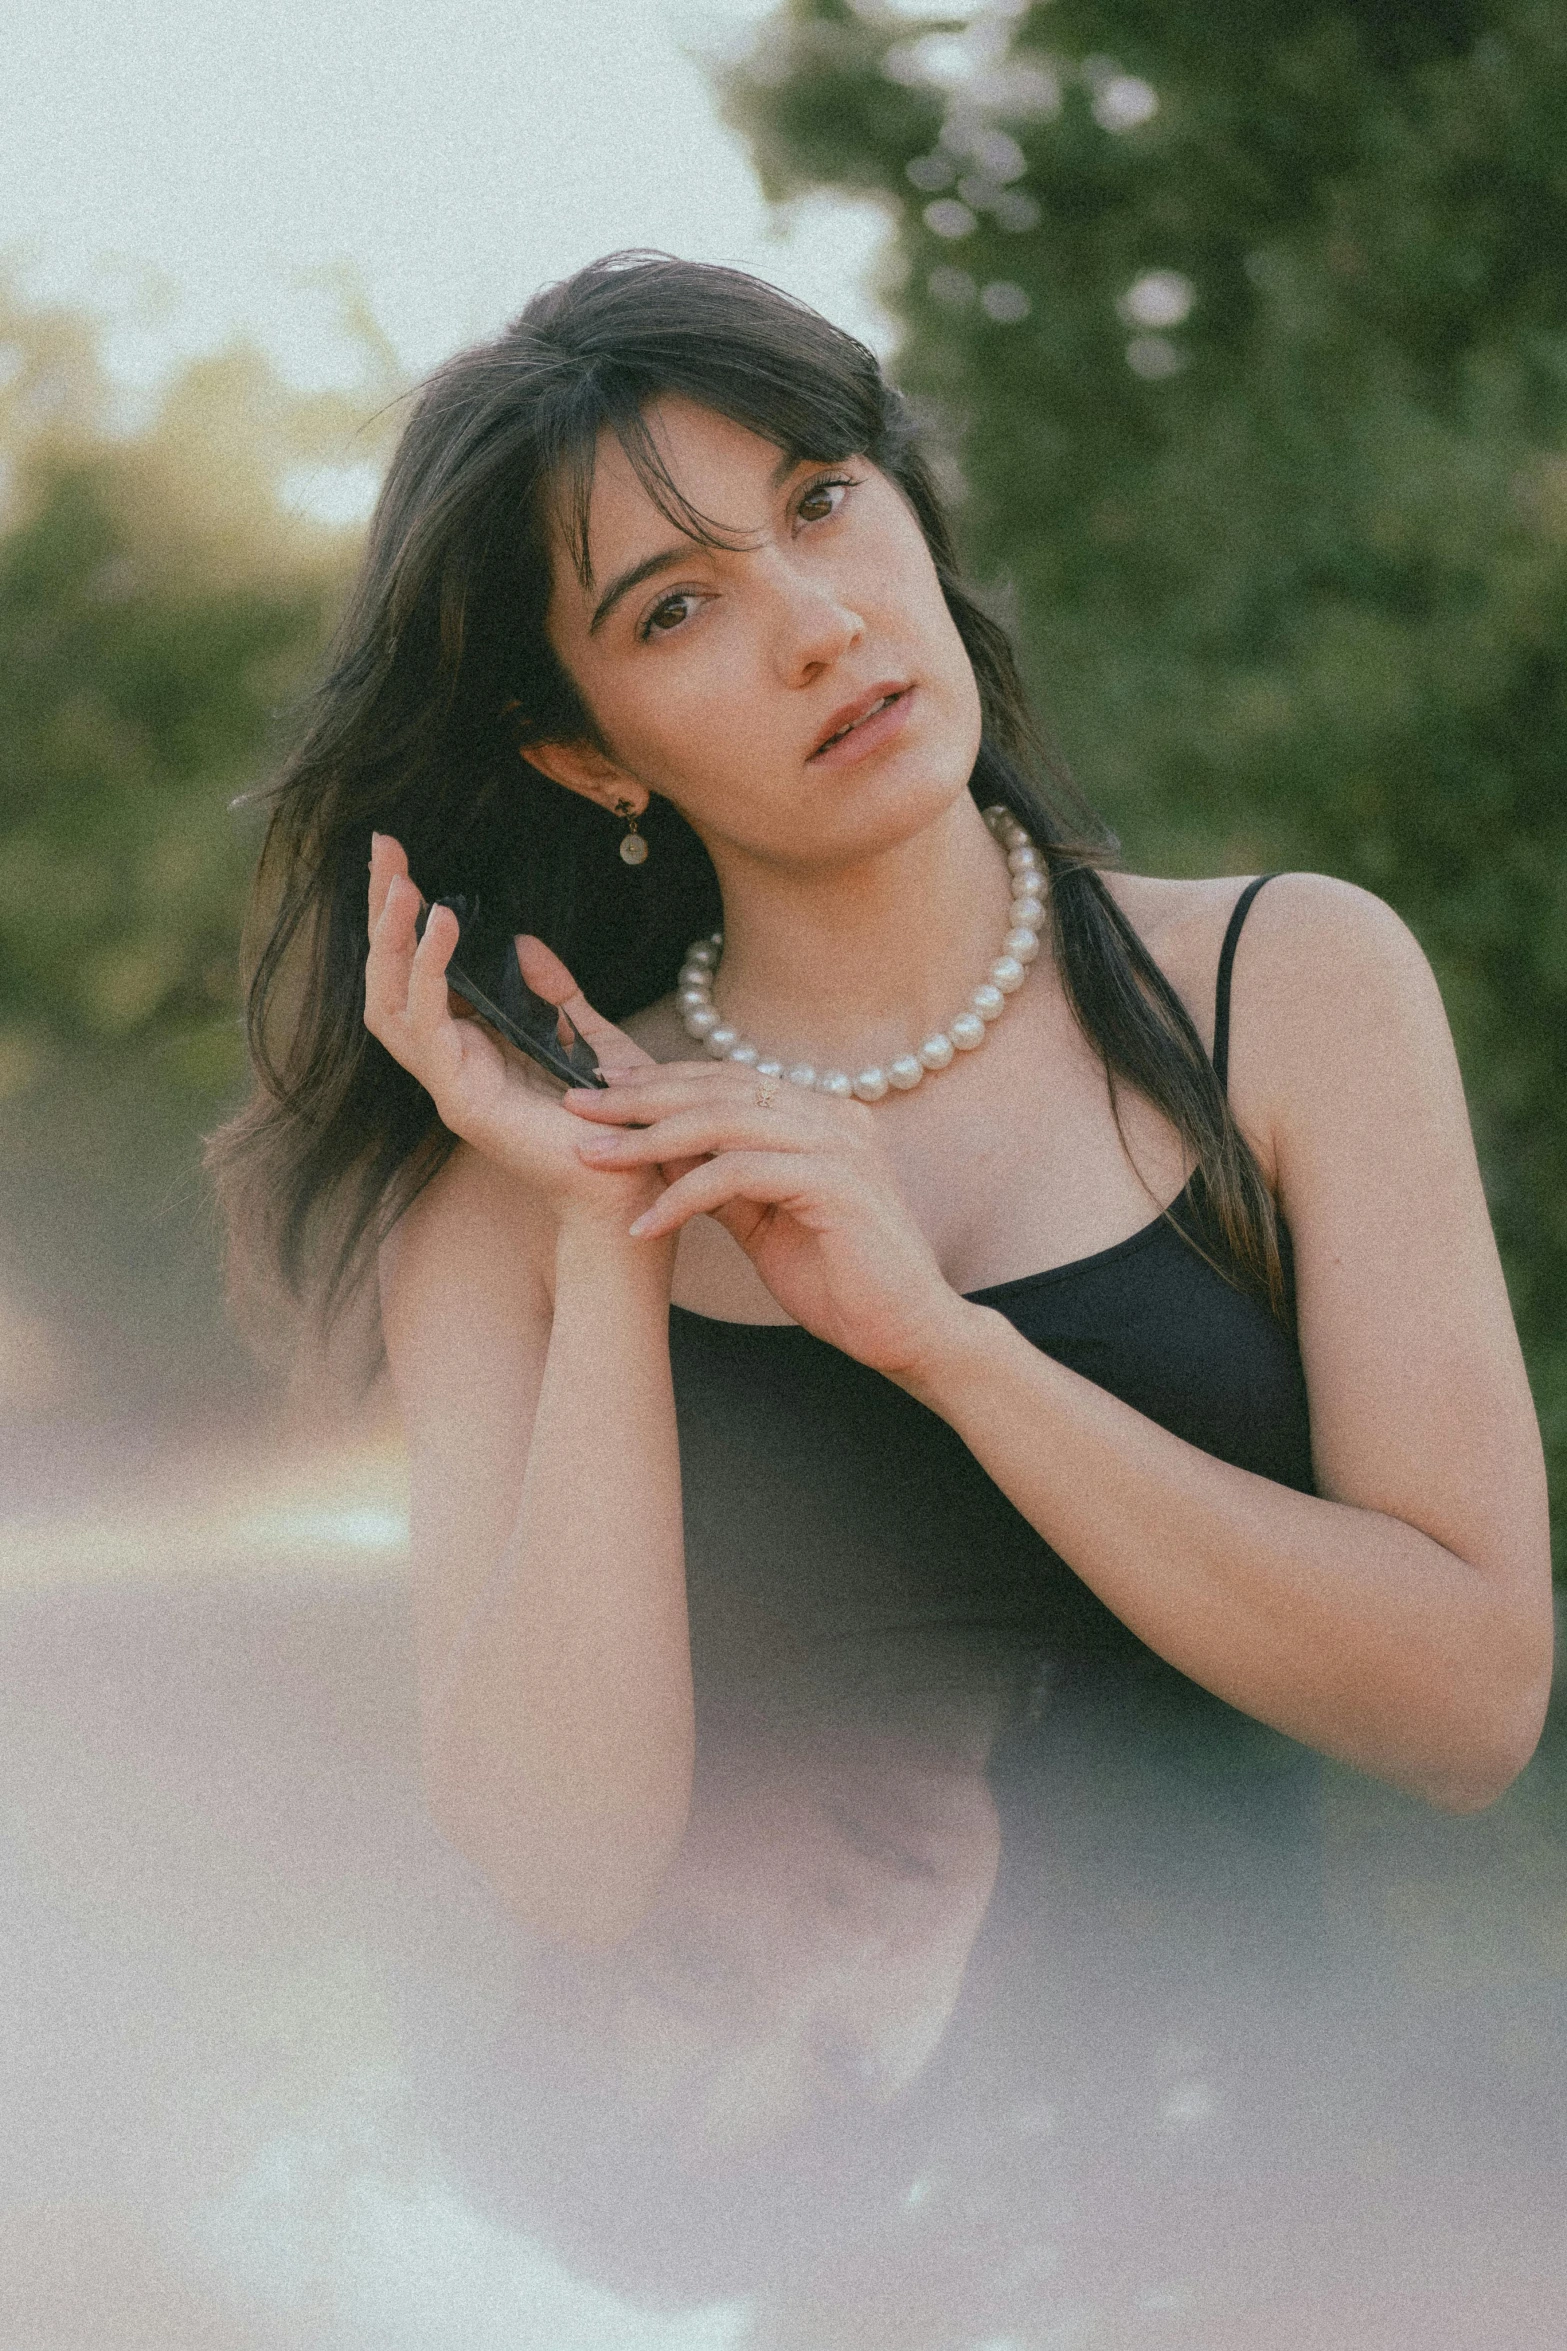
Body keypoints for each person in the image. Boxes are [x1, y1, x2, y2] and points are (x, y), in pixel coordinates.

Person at [211, 251, 1552, 1967]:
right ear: (582, 749)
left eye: (822, 502)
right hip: (827, 2191)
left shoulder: (1290, 988)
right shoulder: (507, 1194)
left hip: (1256, 2171)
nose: (818, 623)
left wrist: (945, 1344)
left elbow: (1471, 1708)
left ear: (912, 509)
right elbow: (560, 1870)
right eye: (672, 609)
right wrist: (614, 1233)